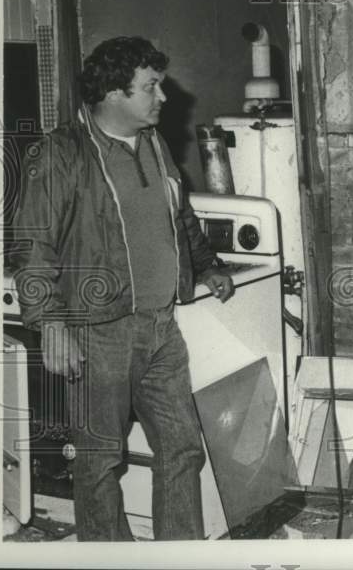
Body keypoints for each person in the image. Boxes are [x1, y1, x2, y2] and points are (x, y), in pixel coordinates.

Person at [12, 36, 235, 541]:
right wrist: (50, 322)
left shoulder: (154, 143)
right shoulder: (62, 152)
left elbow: (179, 215)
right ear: (114, 92)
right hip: (98, 332)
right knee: (99, 461)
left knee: (182, 448)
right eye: (151, 87)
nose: (163, 97)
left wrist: (206, 266)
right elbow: (32, 245)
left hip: (161, 327)